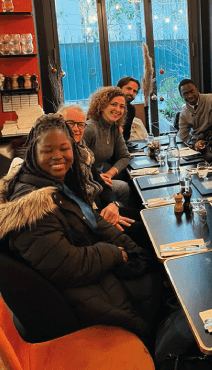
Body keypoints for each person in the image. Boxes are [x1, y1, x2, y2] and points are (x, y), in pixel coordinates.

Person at [0, 114, 162, 344]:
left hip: (93, 277)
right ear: (34, 153)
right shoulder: (32, 208)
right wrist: (115, 253)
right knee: (160, 286)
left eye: (64, 148)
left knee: (150, 255)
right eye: (47, 150)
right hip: (87, 300)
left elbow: (92, 220)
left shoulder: (54, 184)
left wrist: (132, 249)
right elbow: (67, 266)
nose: (58, 156)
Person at [58, 105, 137, 232]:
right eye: (70, 123)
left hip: (101, 207)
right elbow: (78, 208)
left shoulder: (83, 153)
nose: (76, 129)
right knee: (143, 229)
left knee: (145, 215)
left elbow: (100, 183)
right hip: (92, 219)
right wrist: (104, 217)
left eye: (80, 124)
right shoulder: (61, 162)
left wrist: (113, 204)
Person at [83, 86, 131, 208]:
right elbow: (78, 164)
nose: (118, 109)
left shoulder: (114, 128)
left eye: (122, 106)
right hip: (87, 180)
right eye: (113, 104)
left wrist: (109, 174)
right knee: (124, 188)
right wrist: (97, 178)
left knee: (128, 183)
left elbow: (125, 156)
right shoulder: (90, 129)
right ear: (102, 105)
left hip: (101, 175)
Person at [177, 79, 212, 144]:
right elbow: (183, 136)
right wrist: (193, 144)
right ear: (181, 95)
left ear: (197, 89)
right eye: (185, 94)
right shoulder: (184, 112)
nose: (190, 96)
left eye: (192, 91)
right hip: (197, 142)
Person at [117, 77, 141, 141]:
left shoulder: (131, 109)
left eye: (134, 91)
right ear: (119, 88)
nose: (131, 93)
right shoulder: (108, 107)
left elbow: (126, 135)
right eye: (128, 88)